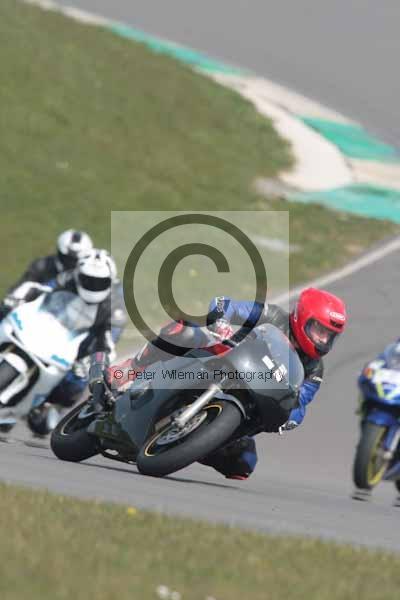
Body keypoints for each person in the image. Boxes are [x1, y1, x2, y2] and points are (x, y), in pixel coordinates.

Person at [108, 288, 347, 479]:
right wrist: (221, 323)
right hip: (222, 360)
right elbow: (222, 304)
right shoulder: (272, 315)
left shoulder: (314, 370)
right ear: (301, 316)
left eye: (329, 336)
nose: (323, 340)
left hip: (250, 401)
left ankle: (194, 442)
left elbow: (300, 402)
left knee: (245, 464)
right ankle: (131, 369)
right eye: (319, 330)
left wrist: (290, 416)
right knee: (184, 330)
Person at [26, 249, 116, 434]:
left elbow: (105, 339)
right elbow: (43, 290)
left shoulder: (111, 305)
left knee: (77, 381)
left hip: (74, 347)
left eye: (99, 282)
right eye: (88, 279)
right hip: (46, 327)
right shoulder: (65, 279)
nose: (93, 285)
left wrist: (97, 359)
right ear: (78, 274)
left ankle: (49, 405)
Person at [0, 229, 93, 319]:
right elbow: (21, 287)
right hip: (34, 313)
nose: (70, 263)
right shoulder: (42, 266)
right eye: (67, 259)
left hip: (65, 321)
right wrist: (12, 302)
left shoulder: (88, 278)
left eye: (74, 260)